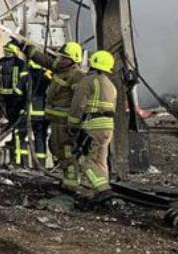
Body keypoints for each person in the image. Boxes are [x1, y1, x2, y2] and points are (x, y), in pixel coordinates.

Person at [21, 37, 87, 191]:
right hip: (55, 120)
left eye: (65, 58)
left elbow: (81, 101)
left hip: (65, 123)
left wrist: (75, 123)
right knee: (56, 149)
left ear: (73, 60)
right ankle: (67, 179)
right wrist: (26, 48)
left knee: (66, 152)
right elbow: (44, 59)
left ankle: (71, 184)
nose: (61, 59)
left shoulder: (76, 76)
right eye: (61, 57)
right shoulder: (60, 68)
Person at [69, 49, 118, 198]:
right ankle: (102, 189)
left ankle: (102, 189)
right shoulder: (111, 85)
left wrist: (73, 124)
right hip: (108, 128)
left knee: (86, 161)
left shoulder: (89, 80)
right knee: (101, 161)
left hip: (93, 127)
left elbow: (78, 104)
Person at [0, 42, 28, 166]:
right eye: (5, 50)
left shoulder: (20, 63)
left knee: (17, 127)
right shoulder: (1, 62)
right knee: (12, 123)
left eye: (9, 50)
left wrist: (18, 92)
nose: (6, 52)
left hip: (16, 99)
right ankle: (15, 153)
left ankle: (18, 160)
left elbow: (23, 80)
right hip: (5, 97)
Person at [25, 60, 52, 169]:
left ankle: (28, 164)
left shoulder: (26, 74)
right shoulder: (46, 74)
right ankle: (41, 165)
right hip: (43, 112)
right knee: (41, 138)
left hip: (29, 112)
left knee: (25, 138)